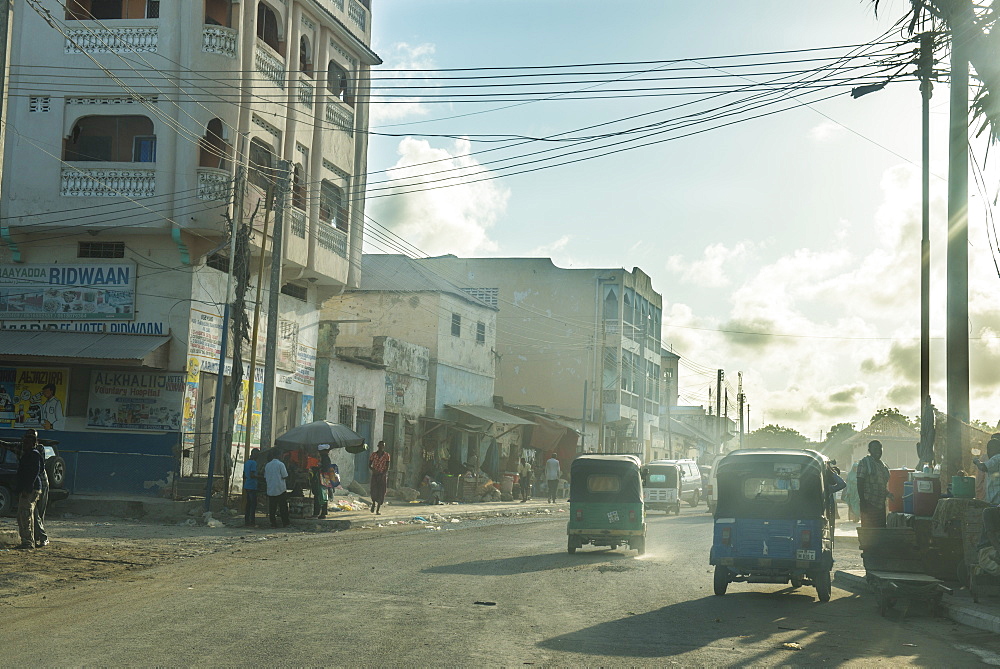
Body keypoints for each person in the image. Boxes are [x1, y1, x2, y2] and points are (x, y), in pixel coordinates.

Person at [15, 429, 44, 549]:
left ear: (33, 444)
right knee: (24, 514)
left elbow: (35, 471)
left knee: (25, 514)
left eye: (27, 443)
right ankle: (27, 540)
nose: (24, 445)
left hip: (30, 489)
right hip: (29, 488)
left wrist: (28, 488)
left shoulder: (33, 454)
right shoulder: (30, 454)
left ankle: (27, 542)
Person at [857, 440, 891, 528]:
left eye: (880, 449)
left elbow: (881, 484)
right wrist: (862, 501)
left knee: (880, 531)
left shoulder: (883, 466)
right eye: (875, 449)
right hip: (869, 503)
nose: (878, 451)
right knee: (868, 532)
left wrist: (888, 494)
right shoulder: (865, 462)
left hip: (880, 504)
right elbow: (860, 482)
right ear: (869, 450)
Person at [264, 448, 290, 528]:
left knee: (272, 508)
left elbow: (265, 476)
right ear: (279, 455)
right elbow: (285, 476)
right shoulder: (280, 464)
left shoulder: (268, 465)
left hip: (271, 489)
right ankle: (285, 523)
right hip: (280, 489)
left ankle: (273, 523)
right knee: (283, 507)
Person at [973, 435, 1000, 505]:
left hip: (996, 500)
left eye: (989, 449)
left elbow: (983, 467)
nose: (988, 452)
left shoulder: (997, 458)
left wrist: (976, 461)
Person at [33, 435, 50, 547]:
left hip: (40, 484)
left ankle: (41, 536)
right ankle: (38, 536)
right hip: (35, 484)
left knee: (37, 512)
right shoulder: (22, 449)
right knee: (36, 513)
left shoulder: (38, 450)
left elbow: (37, 469)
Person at [369, 441, 391, 515]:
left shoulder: (387, 455)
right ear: (378, 446)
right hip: (375, 475)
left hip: (382, 476)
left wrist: (383, 474)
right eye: (380, 446)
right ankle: (373, 503)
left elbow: (387, 467)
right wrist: (373, 470)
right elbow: (369, 465)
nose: (381, 447)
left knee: (381, 492)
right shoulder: (373, 455)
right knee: (374, 490)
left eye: (383, 446)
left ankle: (378, 509)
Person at [242, 448, 261, 527]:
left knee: (249, 504)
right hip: (252, 485)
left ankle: (247, 521)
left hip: (247, 485)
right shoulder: (253, 463)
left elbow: (244, 475)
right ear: (254, 454)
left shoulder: (247, 462)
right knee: (253, 504)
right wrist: (260, 477)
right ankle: (252, 522)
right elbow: (252, 475)